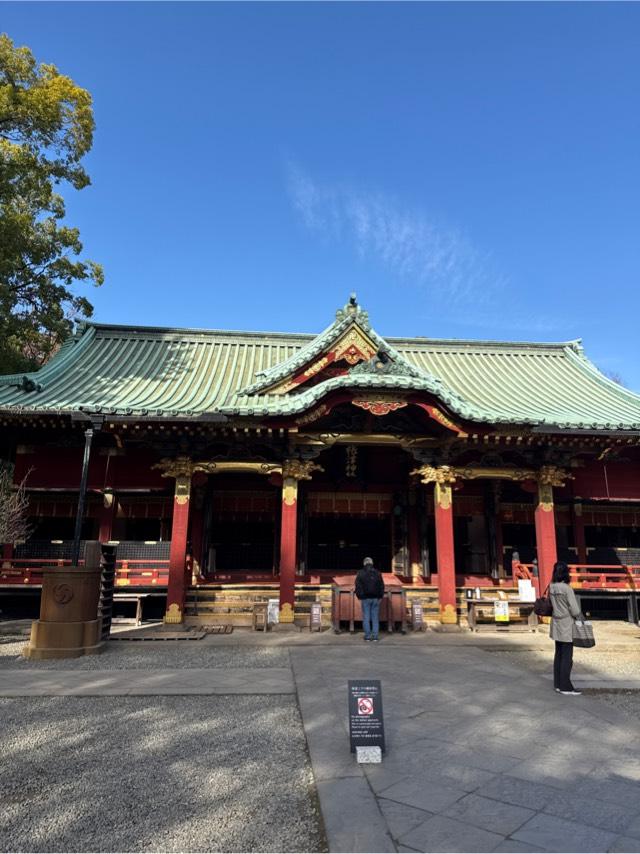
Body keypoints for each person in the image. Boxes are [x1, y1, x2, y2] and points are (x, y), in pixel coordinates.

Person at [549, 561, 583, 696]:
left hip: (556, 623)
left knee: (558, 654)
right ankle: (566, 686)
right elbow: (575, 610)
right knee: (567, 657)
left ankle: (558, 683)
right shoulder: (567, 588)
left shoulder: (551, 587)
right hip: (566, 623)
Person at [355, 557, 385, 642]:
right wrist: (380, 596)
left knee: (366, 617)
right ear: (372, 563)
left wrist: (360, 596)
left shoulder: (360, 573)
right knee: (375, 618)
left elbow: (358, 586)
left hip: (365, 598)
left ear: (364, 563)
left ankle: (367, 636)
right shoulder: (378, 573)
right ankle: (375, 636)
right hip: (375, 598)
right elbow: (381, 586)